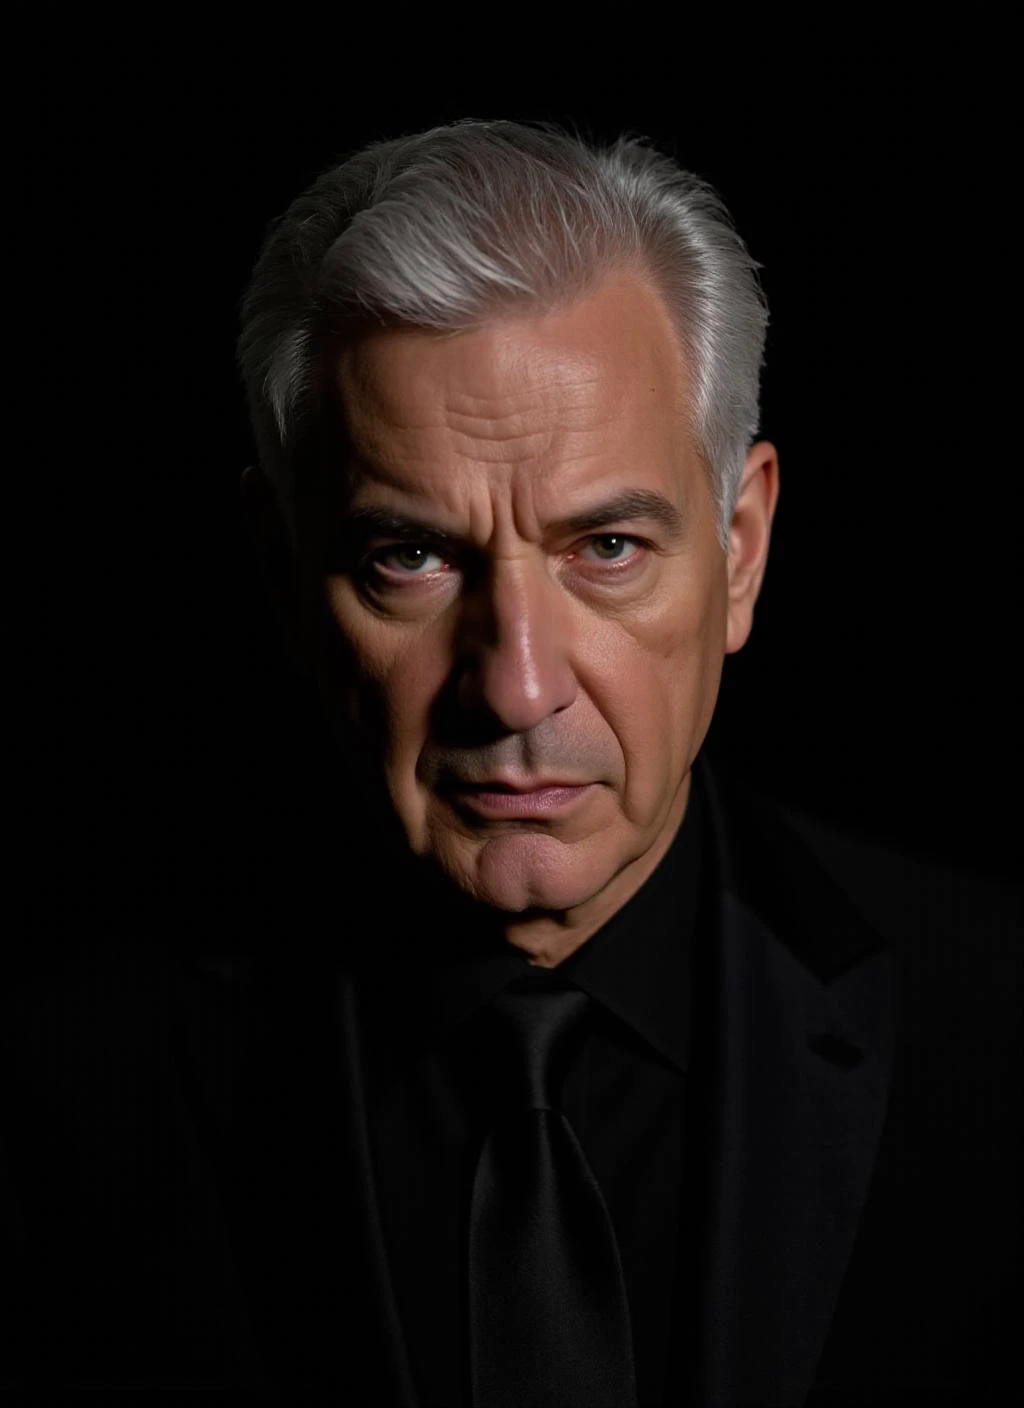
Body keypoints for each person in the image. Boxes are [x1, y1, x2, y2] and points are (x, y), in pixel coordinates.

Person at [2, 119, 1018, 1407]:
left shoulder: (993, 1026)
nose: (517, 683)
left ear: (743, 548)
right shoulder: (65, 1089)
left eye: (607, 550)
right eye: (411, 558)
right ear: (279, 566)